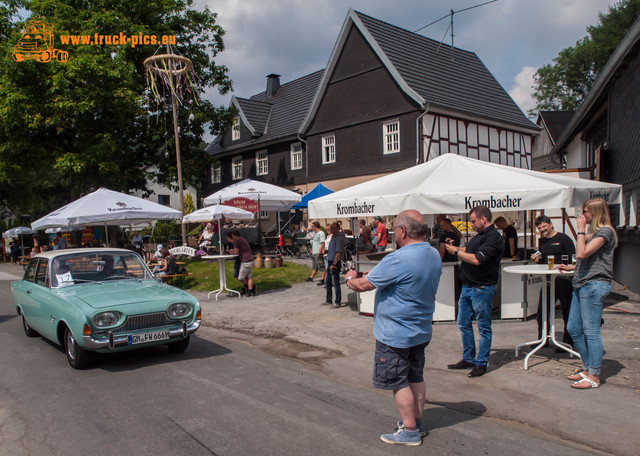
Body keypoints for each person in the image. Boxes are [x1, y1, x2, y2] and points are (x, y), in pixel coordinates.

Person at [345, 210, 440, 446]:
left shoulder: (397, 259)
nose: (394, 232)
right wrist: (376, 276)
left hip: (395, 332)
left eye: (395, 228)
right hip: (420, 328)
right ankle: (416, 424)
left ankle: (409, 430)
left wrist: (349, 278)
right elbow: (403, 279)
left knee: (398, 381)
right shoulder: (433, 254)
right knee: (415, 376)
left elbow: (363, 285)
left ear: (404, 231)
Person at [557, 198, 617, 389]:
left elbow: (582, 253)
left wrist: (581, 229)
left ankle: (594, 376)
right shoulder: (594, 233)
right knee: (574, 328)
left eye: (585, 212)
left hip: (594, 285)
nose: (582, 215)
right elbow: (586, 258)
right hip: (581, 284)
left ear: (596, 213)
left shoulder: (605, 232)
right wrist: (572, 267)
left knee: (591, 332)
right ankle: (587, 367)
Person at [445, 205, 503, 378]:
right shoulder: (480, 237)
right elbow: (470, 251)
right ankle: (469, 358)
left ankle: (481, 363)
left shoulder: (493, 237)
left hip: (482, 288)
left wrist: (455, 251)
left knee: (484, 327)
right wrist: (456, 248)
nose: (471, 224)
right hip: (468, 287)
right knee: (463, 323)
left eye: (473, 221)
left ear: (483, 219)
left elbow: (478, 259)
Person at [530, 215, 575, 350]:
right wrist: (537, 260)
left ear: (550, 224)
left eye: (544, 226)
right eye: (539, 228)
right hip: (548, 280)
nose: (542, 230)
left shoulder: (564, 239)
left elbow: (573, 257)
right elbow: (543, 260)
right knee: (542, 310)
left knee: (566, 310)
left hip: (563, 279)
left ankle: (567, 342)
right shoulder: (542, 242)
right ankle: (543, 339)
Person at [228, 229, 256, 297]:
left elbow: (236, 253)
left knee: (241, 277)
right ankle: (250, 291)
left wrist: (231, 251)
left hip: (245, 261)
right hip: (251, 260)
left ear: (234, 235)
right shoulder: (242, 239)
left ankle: (251, 287)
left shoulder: (237, 241)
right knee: (249, 277)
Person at [324, 222, 344, 308]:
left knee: (335, 283)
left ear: (337, 228)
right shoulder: (332, 237)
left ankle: (338, 301)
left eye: (332, 228)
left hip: (334, 262)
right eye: (330, 228)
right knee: (327, 281)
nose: (330, 229)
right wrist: (327, 251)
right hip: (330, 261)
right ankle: (329, 300)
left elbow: (338, 253)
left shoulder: (338, 239)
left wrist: (334, 264)